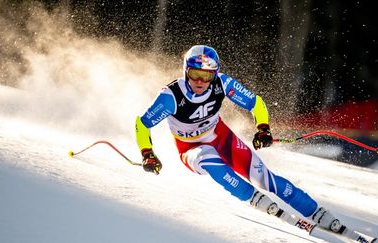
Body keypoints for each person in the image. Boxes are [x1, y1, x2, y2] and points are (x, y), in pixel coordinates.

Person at [134, 45, 345, 235]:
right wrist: (147, 154)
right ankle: (254, 198)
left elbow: (256, 103)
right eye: (195, 74)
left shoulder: (222, 83)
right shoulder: (170, 97)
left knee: (264, 177)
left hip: (222, 138)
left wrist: (263, 129)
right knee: (208, 159)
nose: (200, 82)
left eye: (206, 76)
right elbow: (142, 124)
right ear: (185, 71)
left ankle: (317, 212)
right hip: (190, 149)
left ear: (214, 75)